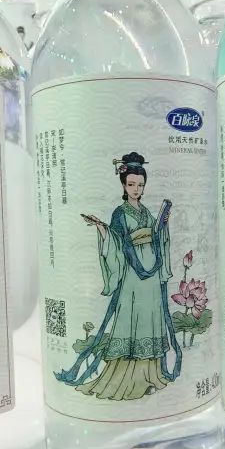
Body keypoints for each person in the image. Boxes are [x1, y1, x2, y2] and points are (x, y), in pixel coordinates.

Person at [55, 152, 182, 399]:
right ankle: (125, 377)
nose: (136, 189)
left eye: (140, 185)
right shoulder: (119, 213)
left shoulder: (146, 212)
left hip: (151, 274)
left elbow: (157, 237)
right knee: (130, 317)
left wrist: (162, 225)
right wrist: (102, 228)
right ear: (124, 185)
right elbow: (116, 242)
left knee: (150, 316)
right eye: (131, 184)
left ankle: (151, 373)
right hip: (133, 275)